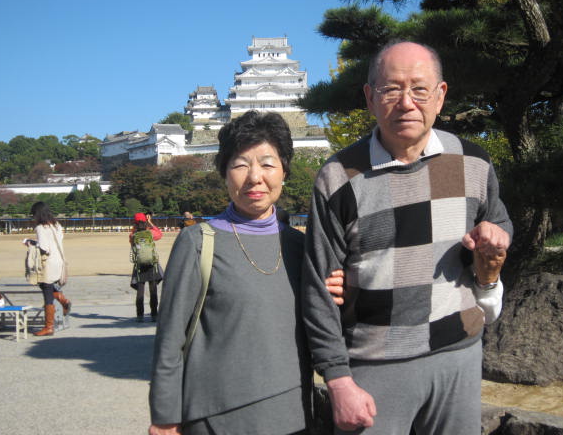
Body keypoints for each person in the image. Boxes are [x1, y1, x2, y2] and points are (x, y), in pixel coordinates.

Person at [301, 41, 513, 435]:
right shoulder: (338, 176)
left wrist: (495, 238)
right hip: (372, 363)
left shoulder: (474, 161)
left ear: (440, 96)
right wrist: (337, 378)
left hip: (459, 355)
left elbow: (499, 222)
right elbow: (317, 286)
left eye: (419, 88)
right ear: (369, 97)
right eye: (390, 89)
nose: (406, 102)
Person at [149, 110, 344, 435]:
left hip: (293, 412)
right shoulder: (197, 242)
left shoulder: (301, 246)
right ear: (224, 173)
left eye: (268, 164)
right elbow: (170, 338)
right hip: (216, 415)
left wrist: (343, 290)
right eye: (240, 164)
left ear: (284, 172)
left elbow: (324, 323)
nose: (255, 177)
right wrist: (165, 415)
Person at [25, 201, 72, 336]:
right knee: (48, 287)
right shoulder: (57, 225)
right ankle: (63, 301)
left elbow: (44, 247)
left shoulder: (40, 227)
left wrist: (31, 243)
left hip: (48, 263)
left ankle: (49, 326)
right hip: (59, 261)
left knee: (46, 292)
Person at [130, 212, 163, 322]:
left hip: (139, 265)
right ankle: (154, 314)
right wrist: (150, 222)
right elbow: (159, 234)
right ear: (145, 221)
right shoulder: (150, 233)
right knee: (153, 291)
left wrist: (135, 227)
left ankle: (140, 316)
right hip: (151, 265)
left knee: (140, 291)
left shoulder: (133, 235)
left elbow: (131, 242)